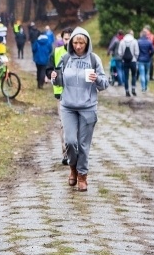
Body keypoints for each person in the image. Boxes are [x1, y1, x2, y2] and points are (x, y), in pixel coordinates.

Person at [50, 27, 109, 192]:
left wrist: (97, 79)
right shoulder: (65, 58)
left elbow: (105, 83)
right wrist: (55, 79)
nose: (77, 46)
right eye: (75, 42)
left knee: (83, 145)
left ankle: (82, 175)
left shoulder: (93, 59)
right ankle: (73, 168)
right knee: (70, 141)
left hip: (88, 107)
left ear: (87, 43)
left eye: (81, 43)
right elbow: (59, 82)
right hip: (68, 106)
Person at [48, 27, 72, 165]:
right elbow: (49, 68)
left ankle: (76, 151)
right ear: (62, 40)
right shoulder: (56, 52)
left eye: (70, 39)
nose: (68, 41)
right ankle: (65, 154)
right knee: (64, 124)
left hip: (77, 94)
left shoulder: (81, 53)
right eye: (66, 39)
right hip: (61, 93)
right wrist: (50, 74)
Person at [118, 29, 139, 97]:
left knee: (126, 77)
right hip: (133, 61)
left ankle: (127, 91)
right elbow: (137, 52)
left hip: (125, 61)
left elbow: (120, 52)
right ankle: (133, 89)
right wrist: (135, 58)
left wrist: (122, 58)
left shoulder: (122, 41)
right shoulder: (134, 41)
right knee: (133, 75)